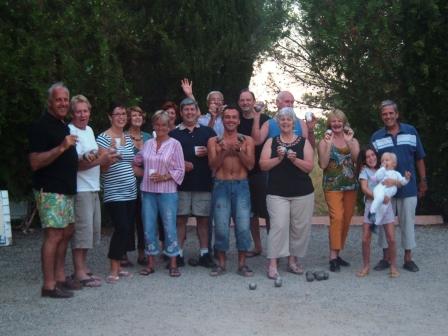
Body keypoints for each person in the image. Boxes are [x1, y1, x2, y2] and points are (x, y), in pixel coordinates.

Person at [28, 82, 79, 298]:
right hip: (49, 190)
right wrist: (62, 147)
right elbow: (35, 162)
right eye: (58, 99)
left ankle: (59, 278)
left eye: (66, 100)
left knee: (66, 232)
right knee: (53, 235)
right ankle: (48, 286)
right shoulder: (40, 126)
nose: (63, 103)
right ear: (50, 102)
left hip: (65, 190)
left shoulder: (63, 125)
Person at [371, 99, 427, 272]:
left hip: (408, 188)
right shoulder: (377, 137)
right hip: (385, 189)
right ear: (382, 116)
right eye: (384, 114)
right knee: (382, 222)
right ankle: (386, 258)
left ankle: (408, 258)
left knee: (407, 223)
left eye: (390, 113)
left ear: (397, 114)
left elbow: (419, 157)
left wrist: (423, 181)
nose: (388, 116)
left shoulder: (410, 132)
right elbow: (372, 164)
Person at [259, 107, 315, 279]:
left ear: (294, 123)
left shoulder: (303, 142)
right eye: (282, 119)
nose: (285, 122)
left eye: (288, 120)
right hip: (277, 192)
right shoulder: (272, 142)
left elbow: (309, 167)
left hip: (302, 192)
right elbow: (263, 165)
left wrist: (294, 159)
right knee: (278, 226)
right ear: (278, 122)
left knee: (299, 228)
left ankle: (292, 261)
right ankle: (273, 263)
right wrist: (279, 158)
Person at [133, 110, 185, 277]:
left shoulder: (175, 144)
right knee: (148, 227)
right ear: (153, 125)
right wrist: (138, 169)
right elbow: (138, 160)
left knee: (169, 226)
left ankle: (173, 263)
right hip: (148, 191)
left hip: (167, 191)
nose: (161, 127)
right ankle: (150, 263)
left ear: (169, 126)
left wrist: (164, 176)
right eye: (157, 124)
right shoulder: (148, 144)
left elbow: (180, 169)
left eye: (164, 124)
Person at [207, 106, 255, 276]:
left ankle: (242, 264)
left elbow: (250, 165)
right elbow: (212, 166)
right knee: (220, 225)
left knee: (243, 226)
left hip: (242, 185)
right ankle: (221, 263)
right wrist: (225, 151)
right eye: (227, 117)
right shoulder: (214, 141)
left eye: (234, 117)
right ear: (222, 120)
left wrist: (238, 150)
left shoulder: (247, 140)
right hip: (221, 185)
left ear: (239, 120)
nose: (231, 120)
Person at [69, 94, 111, 287]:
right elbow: (74, 164)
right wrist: (100, 160)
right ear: (72, 113)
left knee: (91, 231)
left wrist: (105, 157)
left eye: (85, 110)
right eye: (78, 111)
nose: (82, 114)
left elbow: (92, 157)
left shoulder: (89, 130)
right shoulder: (70, 131)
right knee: (82, 231)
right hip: (80, 188)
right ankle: (78, 272)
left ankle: (83, 267)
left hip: (93, 186)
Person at [169, 98, 216, 268]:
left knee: (203, 221)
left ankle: (204, 253)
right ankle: (178, 254)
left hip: (203, 183)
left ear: (197, 112)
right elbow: (166, 160)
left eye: (192, 109)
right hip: (180, 185)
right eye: (186, 110)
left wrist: (209, 153)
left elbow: (217, 157)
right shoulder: (173, 133)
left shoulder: (208, 132)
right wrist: (181, 164)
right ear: (181, 113)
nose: (189, 112)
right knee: (180, 220)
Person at [97, 103, 137, 284]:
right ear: (110, 117)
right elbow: (103, 168)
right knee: (121, 228)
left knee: (127, 229)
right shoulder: (103, 138)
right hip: (114, 191)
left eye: (124, 114)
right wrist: (110, 156)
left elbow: (130, 163)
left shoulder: (128, 138)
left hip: (130, 190)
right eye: (117, 114)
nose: (121, 117)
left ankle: (119, 267)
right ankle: (113, 268)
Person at [317, 109, 359, 272]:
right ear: (329, 123)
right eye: (333, 121)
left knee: (346, 219)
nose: (336, 124)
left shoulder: (352, 140)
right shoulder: (324, 141)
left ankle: (337, 252)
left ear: (344, 122)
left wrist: (349, 142)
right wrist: (328, 145)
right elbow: (323, 164)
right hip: (332, 185)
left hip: (350, 185)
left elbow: (357, 160)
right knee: (337, 217)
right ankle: (333, 256)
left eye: (339, 121)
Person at [356, 146, 400, 278]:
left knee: (391, 239)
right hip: (371, 206)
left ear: (377, 155)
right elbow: (364, 188)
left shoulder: (387, 167)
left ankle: (393, 266)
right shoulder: (364, 171)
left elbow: (396, 183)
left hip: (386, 207)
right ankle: (366, 266)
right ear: (364, 160)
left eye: (372, 155)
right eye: (367, 157)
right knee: (365, 239)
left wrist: (394, 184)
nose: (371, 158)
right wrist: (379, 197)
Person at [237, 88, 271, 256]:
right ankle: (257, 246)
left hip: (261, 172)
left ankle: (274, 248)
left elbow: (255, 141)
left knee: (267, 212)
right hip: (242, 173)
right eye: (242, 100)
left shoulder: (265, 119)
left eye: (248, 100)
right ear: (238, 103)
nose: (245, 103)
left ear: (253, 101)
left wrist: (256, 117)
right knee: (250, 213)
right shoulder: (235, 120)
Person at [122, 106, 152, 267]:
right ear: (128, 118)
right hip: (127, 184)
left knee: (143, 219)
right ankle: (124, 253)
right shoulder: (123, 137)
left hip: (146, 185)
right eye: (133, 115)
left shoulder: (149, 137)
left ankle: (142, 253)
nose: (137, 117)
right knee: (127, 219)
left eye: (140, 114)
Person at [251, 90, 316, 148]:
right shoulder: (268, 123)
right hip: (274, 160)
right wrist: (256, 118)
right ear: (277, 103)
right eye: (287, 101)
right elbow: (256, 142)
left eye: (292, 102)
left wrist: (310, 130)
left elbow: (309, 148)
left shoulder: (301, 123)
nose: (290, 105)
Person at [367, 152, 410, 228]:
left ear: (394, 164)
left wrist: (406, 178)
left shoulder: (397, 174)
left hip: (388, 194)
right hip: (380, 189)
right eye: (382, 161)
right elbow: (377, 177)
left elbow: (402, 182)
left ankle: (375, 224)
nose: (384, 162)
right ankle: (371, 212)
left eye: (387, 160)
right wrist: (383, 168)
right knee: (379, 198)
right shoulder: (382, 171)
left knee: (383, 209)